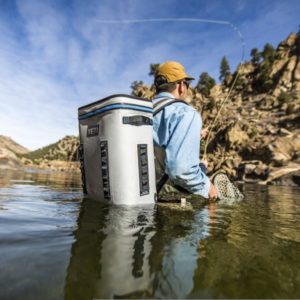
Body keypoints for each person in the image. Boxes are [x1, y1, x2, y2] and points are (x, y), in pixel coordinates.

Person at [152, 61, 217, 199]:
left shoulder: (144, 110)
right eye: (187, 84)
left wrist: (195, 137)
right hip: (163, 201)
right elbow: (180, 170)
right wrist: (207, 186)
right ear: (181, 85)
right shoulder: (186, 113)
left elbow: (158, 139)